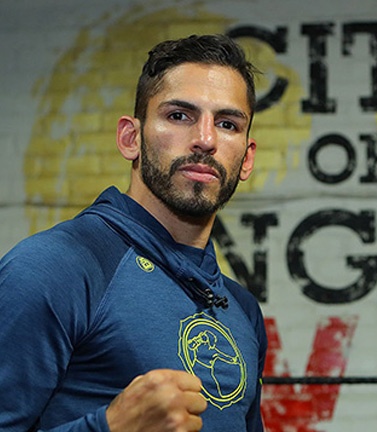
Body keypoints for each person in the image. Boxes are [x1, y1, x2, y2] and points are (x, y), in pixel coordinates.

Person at [0, 34, 267, 431]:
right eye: (179, 116)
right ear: (130, 138)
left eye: (227, 124)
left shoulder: (242, 309)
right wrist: (110, 427)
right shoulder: (55, 268)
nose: (205, 140)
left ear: (246, 158)